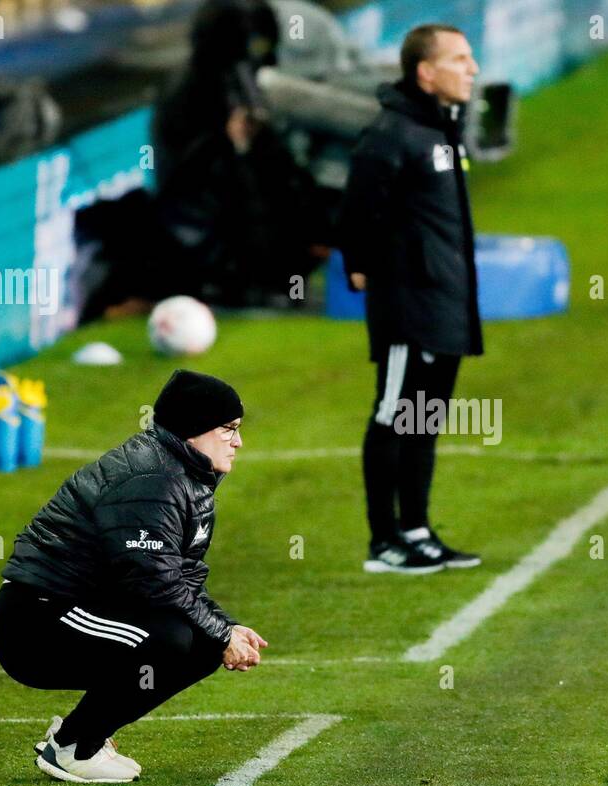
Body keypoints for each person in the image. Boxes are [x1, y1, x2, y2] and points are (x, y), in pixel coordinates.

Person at [0, 370, 268, 783]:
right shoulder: (153, 479)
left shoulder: (185, 474)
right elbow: (152, 579)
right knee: (170, 641)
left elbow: (183, 574)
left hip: (78, 606)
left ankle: (79, 738)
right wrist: (220, 632)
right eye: (228, 429)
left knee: (202, 642)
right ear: (194, 429)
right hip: (38, 619)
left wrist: (225, 628)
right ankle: (74, 747)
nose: (238, 442)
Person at [338, 24, 484, 575]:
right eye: (460, 59)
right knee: (393, 414)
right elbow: (356, 214)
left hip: (445, 301)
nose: (472, 69)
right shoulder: (391, 136)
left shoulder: (441, 130)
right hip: (408, 306)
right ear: (426, 73)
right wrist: (365, 269)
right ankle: (384, 541)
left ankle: (418, 530)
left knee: (424, 419)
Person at [151, 0, 329, 308]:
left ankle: (279, 285)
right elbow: (185, 170)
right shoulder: (191, 90)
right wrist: (230, 142)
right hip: (208, 213)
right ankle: (248, 287)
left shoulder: (239, 70)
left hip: (238, 199)